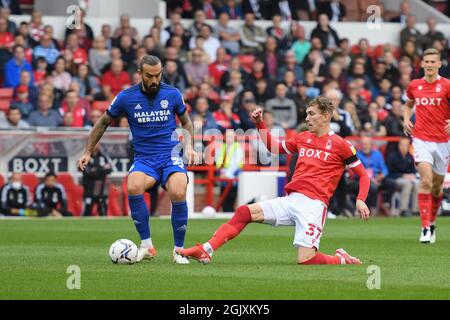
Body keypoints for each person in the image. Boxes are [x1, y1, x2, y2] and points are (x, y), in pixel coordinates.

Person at [178, 96, 370, 265]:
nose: (307, 118)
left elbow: (362, 174)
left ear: (326, 116)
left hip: (314, 205)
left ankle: (340, 259)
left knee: (306, 260)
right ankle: (206, 250)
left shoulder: (342, 145)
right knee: (245, 212)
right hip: (291, 199)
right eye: (307, 114)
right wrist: (260, 124)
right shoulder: (303, 137)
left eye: (312, 114)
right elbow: (274, 147)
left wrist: (360, 199)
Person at [77, 55, 198, 264]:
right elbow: (102, 122)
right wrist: (88, 151)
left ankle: (179, 250)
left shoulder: (173, 94)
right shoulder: (126, 97)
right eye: (150, 76)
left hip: (170, 156)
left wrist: (189, 147)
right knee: (133, 186)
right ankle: (147, 246)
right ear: (140, 74)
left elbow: (187, 122)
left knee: (179, 190)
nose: (154, 80)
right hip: (144, 158)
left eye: (158, 75)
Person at [403, 48, 450, 243]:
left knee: (437, 188)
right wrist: (406, 119)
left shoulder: (447, 85)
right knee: (425, 181)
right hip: (421, 139)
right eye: (427, 62)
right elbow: (408, 104)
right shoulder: (414, 85)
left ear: (439, 64)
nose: (429, 65)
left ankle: (431, 222)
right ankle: (424, 229)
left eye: (433, 62)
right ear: (422, 64)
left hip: (443, 141)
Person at [81, 145, 112, 216]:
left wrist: (96, 169)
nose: (97, 145)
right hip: (89, 188)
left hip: (101, 189)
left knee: (103, 210)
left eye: (98, 143)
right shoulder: (86, 157)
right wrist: (101, 169)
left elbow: (109, 169)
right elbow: (86, 171)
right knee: (87, 210)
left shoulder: (103, 157)